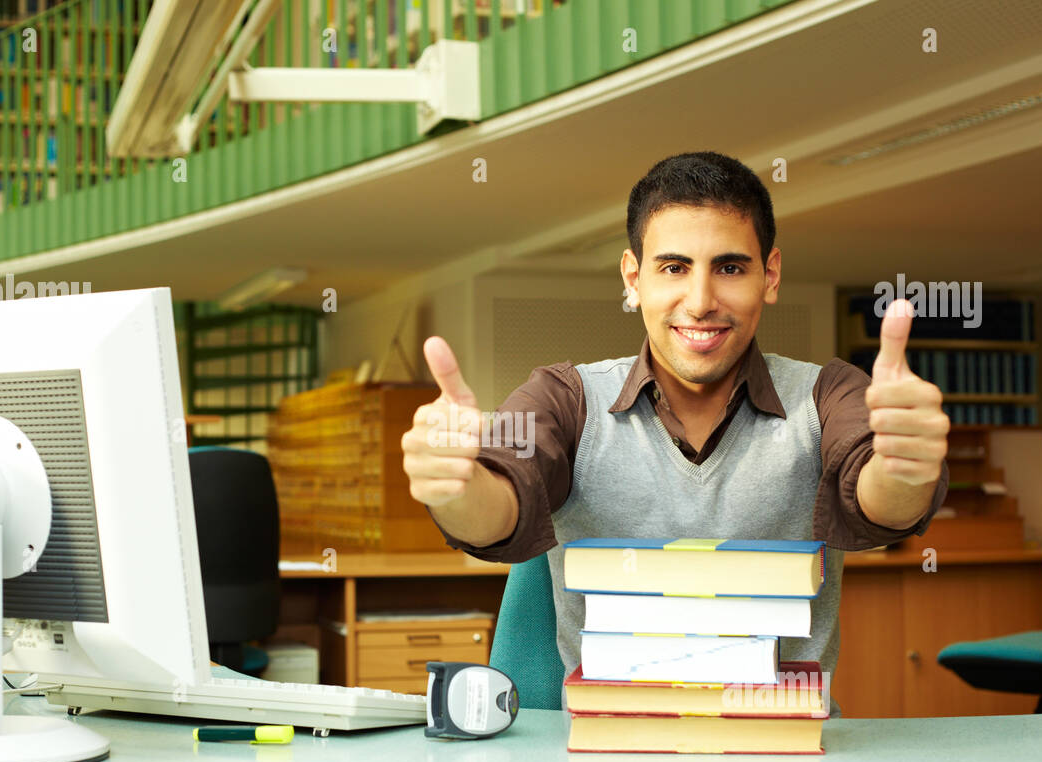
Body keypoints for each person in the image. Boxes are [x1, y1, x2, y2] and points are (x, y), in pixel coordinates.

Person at [399, 151, 950, 714]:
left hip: (783, 754)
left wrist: (904, 466)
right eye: (673, 267)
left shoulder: (828, 394)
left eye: (730, 268)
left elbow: (882, 504)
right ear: (634, 278)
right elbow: (500, 502)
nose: (702, 301)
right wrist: (456, 487)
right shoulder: (564, 399)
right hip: (604, 758)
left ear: (771, 275)